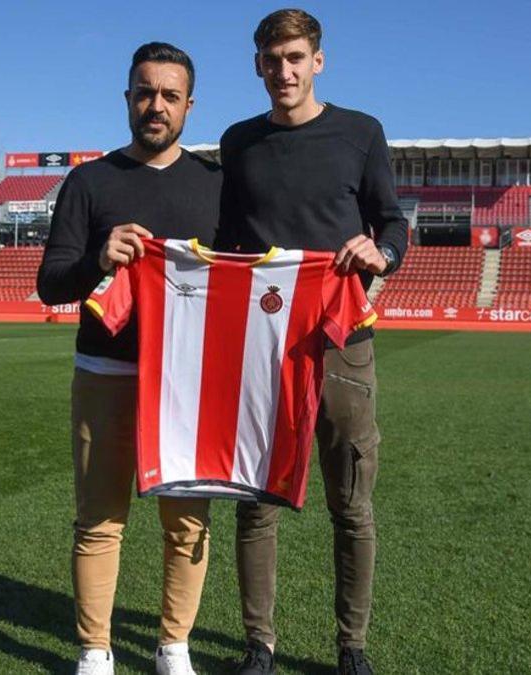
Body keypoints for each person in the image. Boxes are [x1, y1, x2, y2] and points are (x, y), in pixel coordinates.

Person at [214, 9, 408, 675]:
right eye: (272, 59)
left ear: (318, 61)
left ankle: (351, 647)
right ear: (257, 65)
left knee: (351, 503)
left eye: (296, 57)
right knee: (255, 501)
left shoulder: (361, 133)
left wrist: (379, 249)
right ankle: (258, 646)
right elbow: (226, 242)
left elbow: (393, 224)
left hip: (340, 342)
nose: (284, 71)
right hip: (260, 345)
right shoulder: (238, 142)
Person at [36, 41, 222, 675]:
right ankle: (95, 649)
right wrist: (97, 258)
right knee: (100, 519)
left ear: (189, 106)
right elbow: (51, 283)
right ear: (126, 98)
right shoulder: (88, 182)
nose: (156, 105)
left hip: (188, 383)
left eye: (170, 95)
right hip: (105, 373)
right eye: (145, 92)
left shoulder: (216, 186)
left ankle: (174, 645)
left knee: (187, 523)